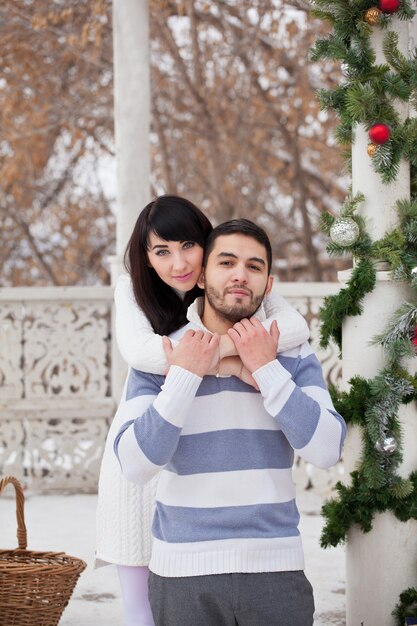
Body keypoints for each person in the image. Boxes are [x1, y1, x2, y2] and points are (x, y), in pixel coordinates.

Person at [114, 218, 346, 626]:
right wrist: (186, 376)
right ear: (201, 277)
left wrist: (265, 369)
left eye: (255, 267)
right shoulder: (161, 356)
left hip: (276, 569)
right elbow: (135, 465)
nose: (241, 274)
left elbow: (327, 449)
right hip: (183, 575)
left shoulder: (290, 354)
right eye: (227, 262)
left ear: (268, 285)